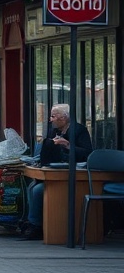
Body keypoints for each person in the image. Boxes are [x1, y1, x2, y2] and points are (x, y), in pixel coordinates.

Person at [19, 103, 93, 241]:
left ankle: (35, 225)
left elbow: (88, 153)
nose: (50, 119)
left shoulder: (78, 130)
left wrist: (68, 145)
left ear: (64, 117)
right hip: (56, 169)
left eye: (53, 116)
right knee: (31, 186)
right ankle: (35, 223)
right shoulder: (54, 131)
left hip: (75, 174)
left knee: (38, 190)